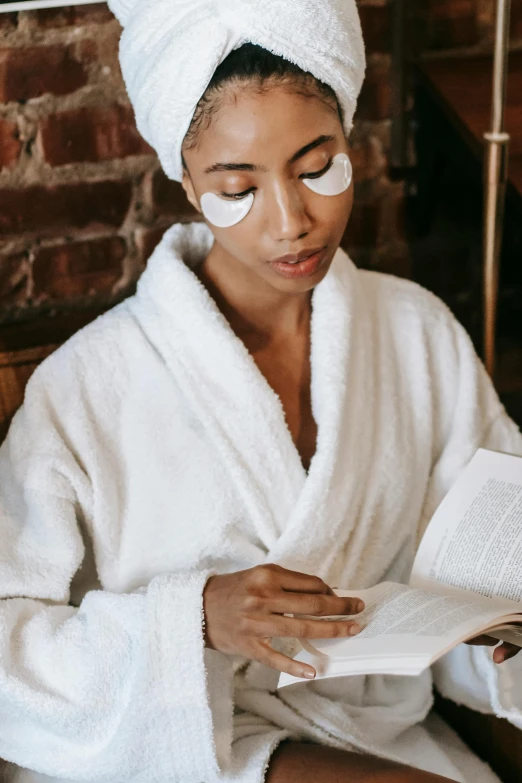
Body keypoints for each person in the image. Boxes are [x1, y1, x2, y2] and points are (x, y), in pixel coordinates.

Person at [1, 1, 522, 782]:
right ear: (185, 180)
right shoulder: (85, 389)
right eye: (237, 186)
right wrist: (194, 619)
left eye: (318, 167)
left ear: (350, 135)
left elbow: (487, 560)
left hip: (375, 738)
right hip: (180, 753)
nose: (292, 221)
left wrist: (498, 628)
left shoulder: (415, 333)